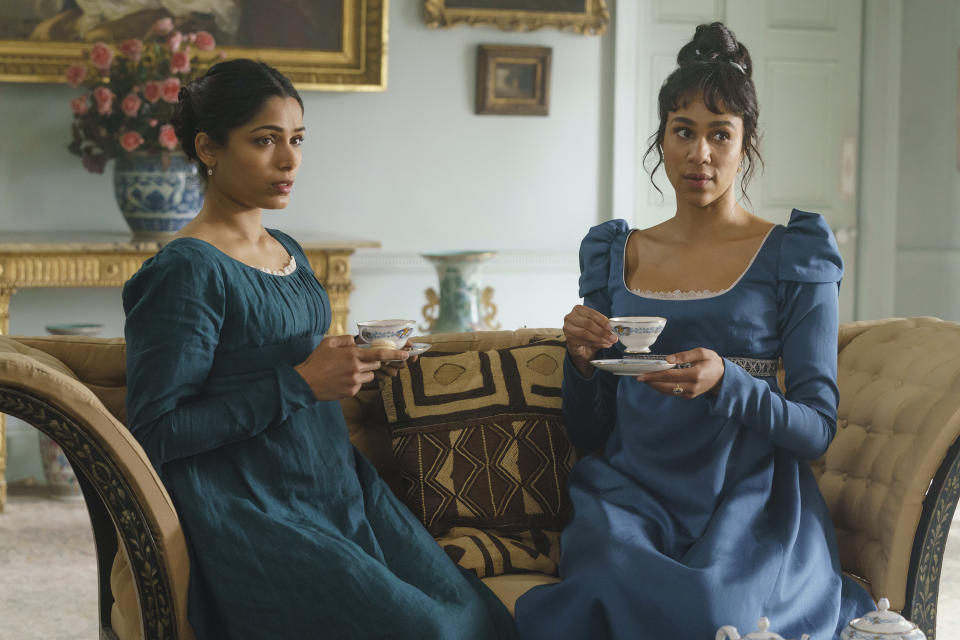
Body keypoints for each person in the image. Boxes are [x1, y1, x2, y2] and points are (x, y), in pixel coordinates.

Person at [122, 58, 517, 640]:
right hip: (252, 508)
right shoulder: (185, 270)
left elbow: (291, 355)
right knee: (422, 630)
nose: (289, 161)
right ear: (208, 147)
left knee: (477, 619)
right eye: (265, 141)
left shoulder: (287, 249)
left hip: (336, 486)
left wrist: (359, 360)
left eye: (297, 140)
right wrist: (302, 383)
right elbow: (155, 431)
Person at [513, 22, 875, 640]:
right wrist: (578, 361)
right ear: (662, 138)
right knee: (623, 596)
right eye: (683, 131)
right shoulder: (613, 253)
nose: (699, 154)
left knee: (715, 617)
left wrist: (726, 383)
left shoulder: (795, 254)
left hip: (751, 500)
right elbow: (592, 429)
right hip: (629, 496)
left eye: (719, 134)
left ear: (745, 144)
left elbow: (815, 430)